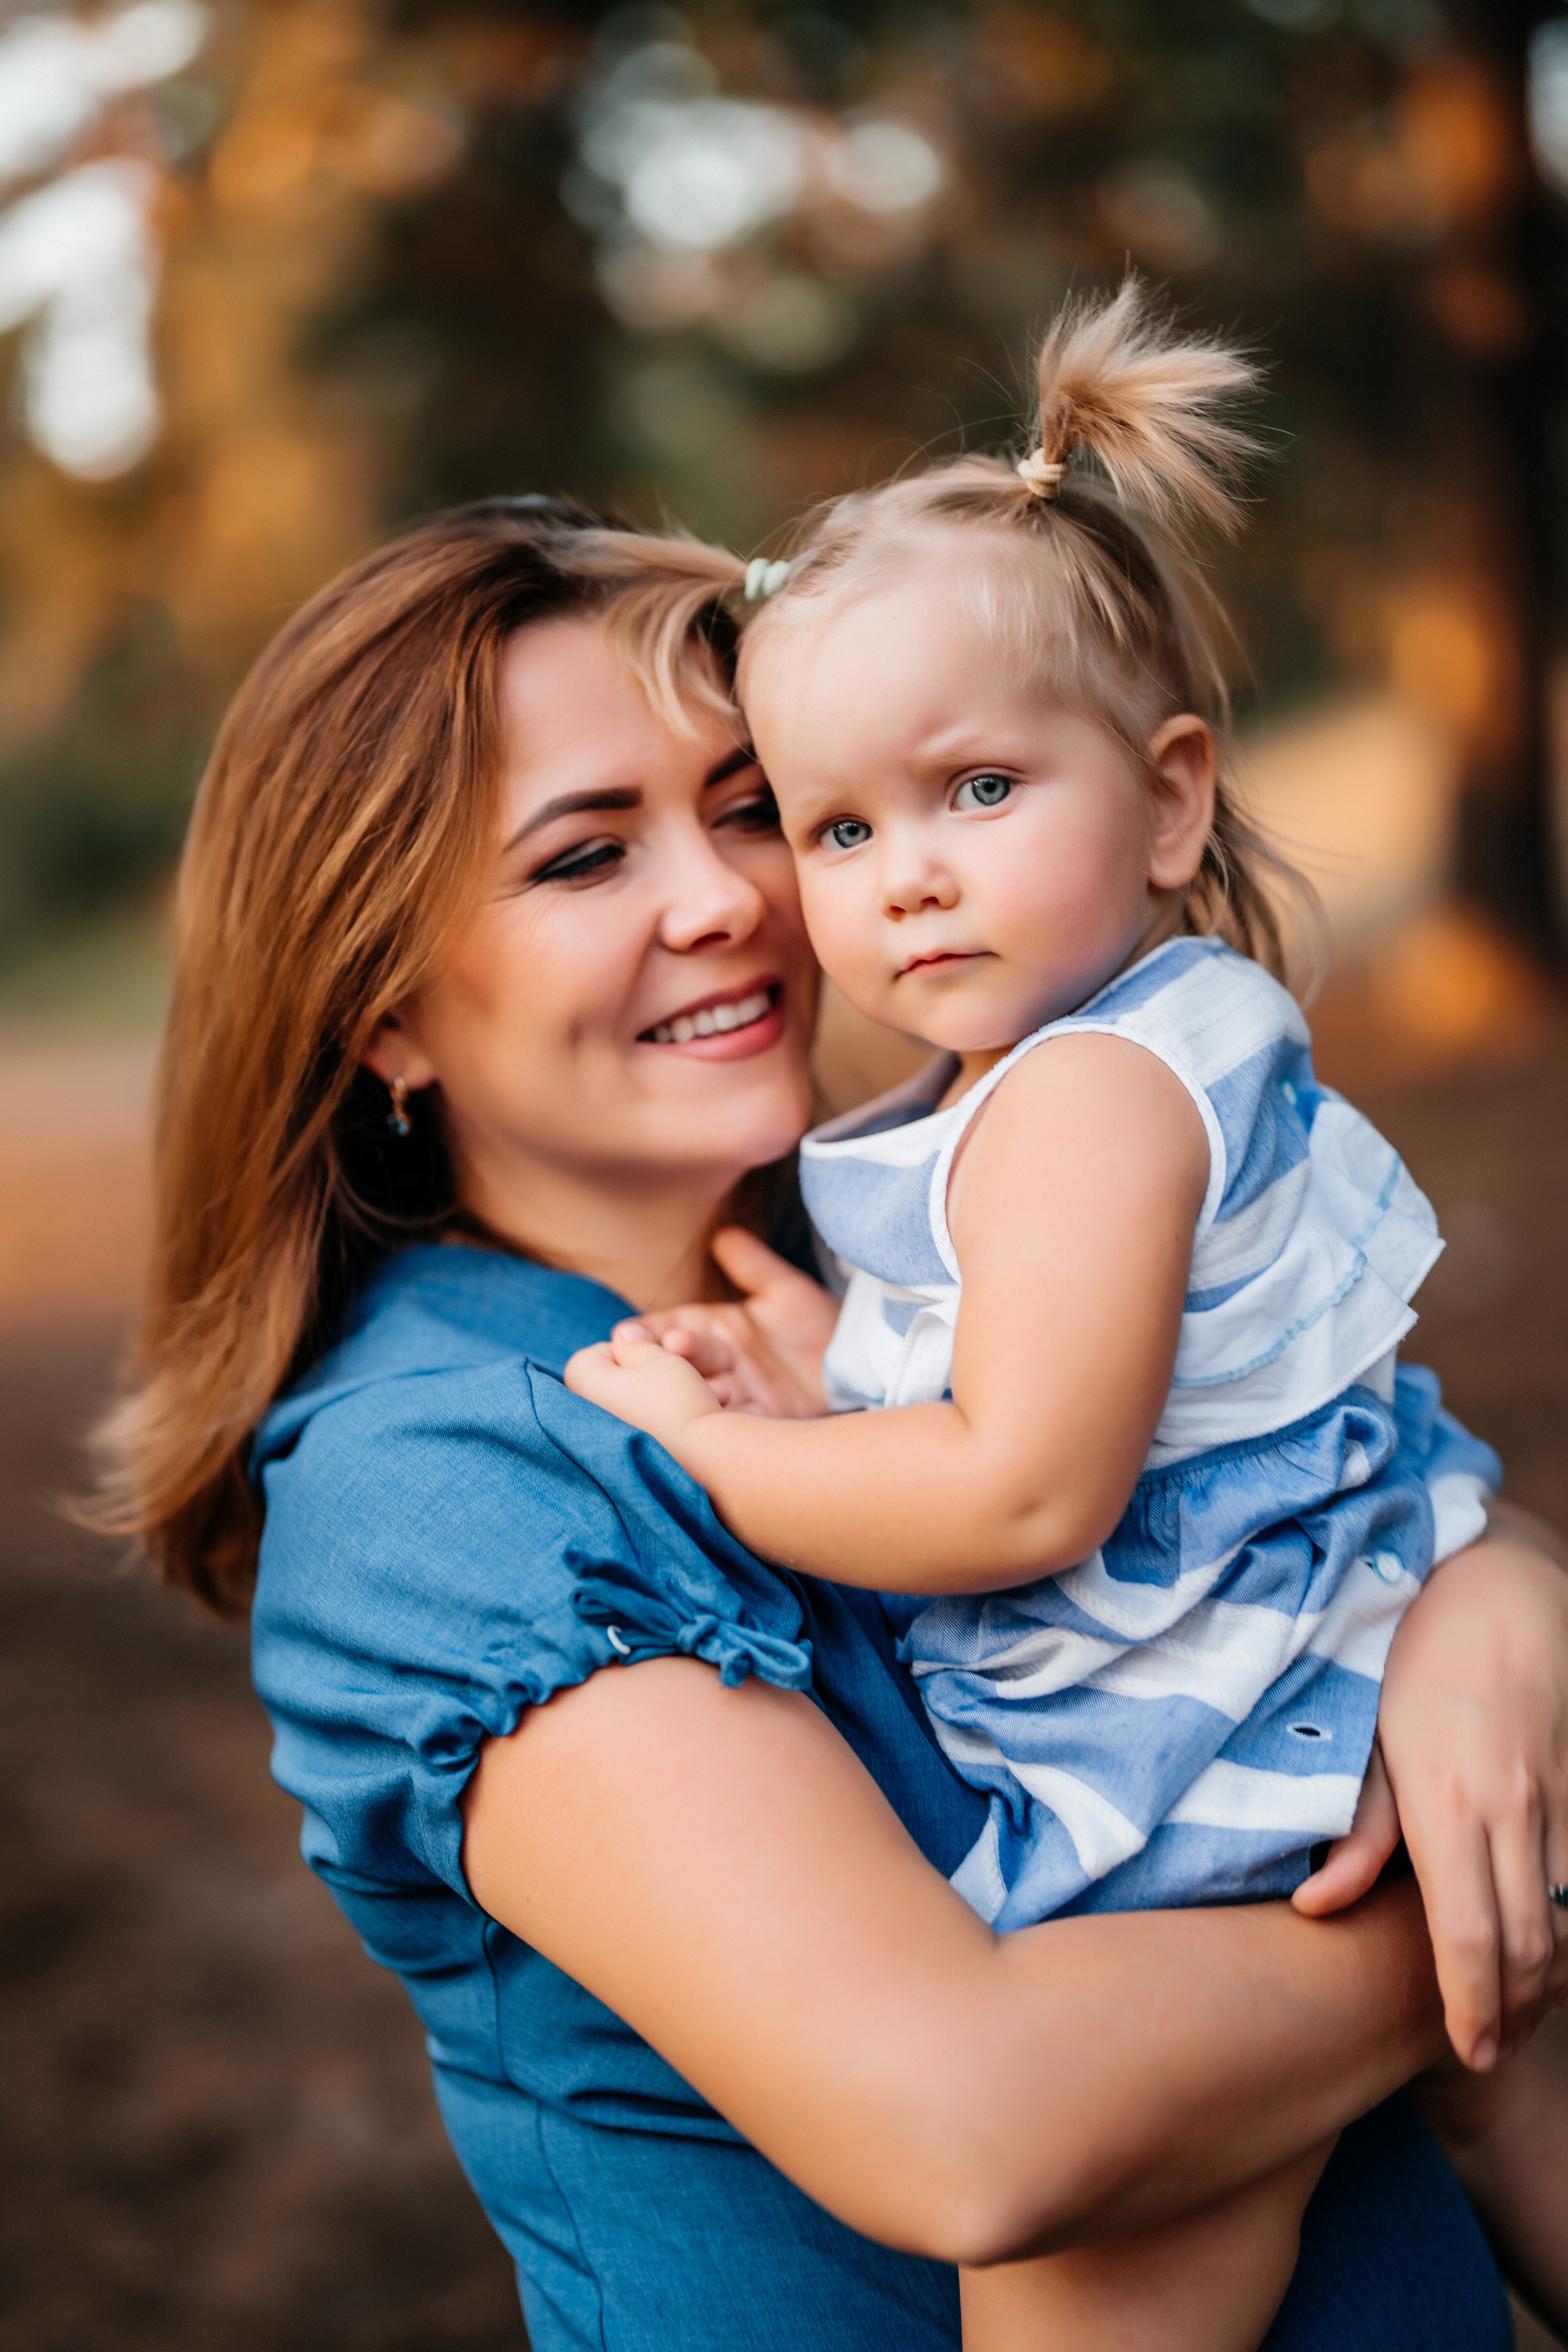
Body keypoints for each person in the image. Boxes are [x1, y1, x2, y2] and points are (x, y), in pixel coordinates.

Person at [92, 494, 1568, 2352]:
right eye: (579, 860)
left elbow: (1289, 1475)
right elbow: (973, 2134)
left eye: (746, 810)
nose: (727, 900)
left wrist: (1500, 1619)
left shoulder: (916, 1246)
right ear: (387, 1015)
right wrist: (1471, 1904)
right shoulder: (447, 1473)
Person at [559, 283, 1568, 2348]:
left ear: (1176, 799)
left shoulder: (1090, 1105)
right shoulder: (1084, 1071)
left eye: (978, 792)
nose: (906, 878)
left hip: (1210, 1792)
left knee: (1076, 2302)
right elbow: (1082, 1371)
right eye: (839, 829)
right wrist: (836, 1361)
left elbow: (1024, 1485)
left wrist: (719, 1449)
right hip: (1316, 1673)